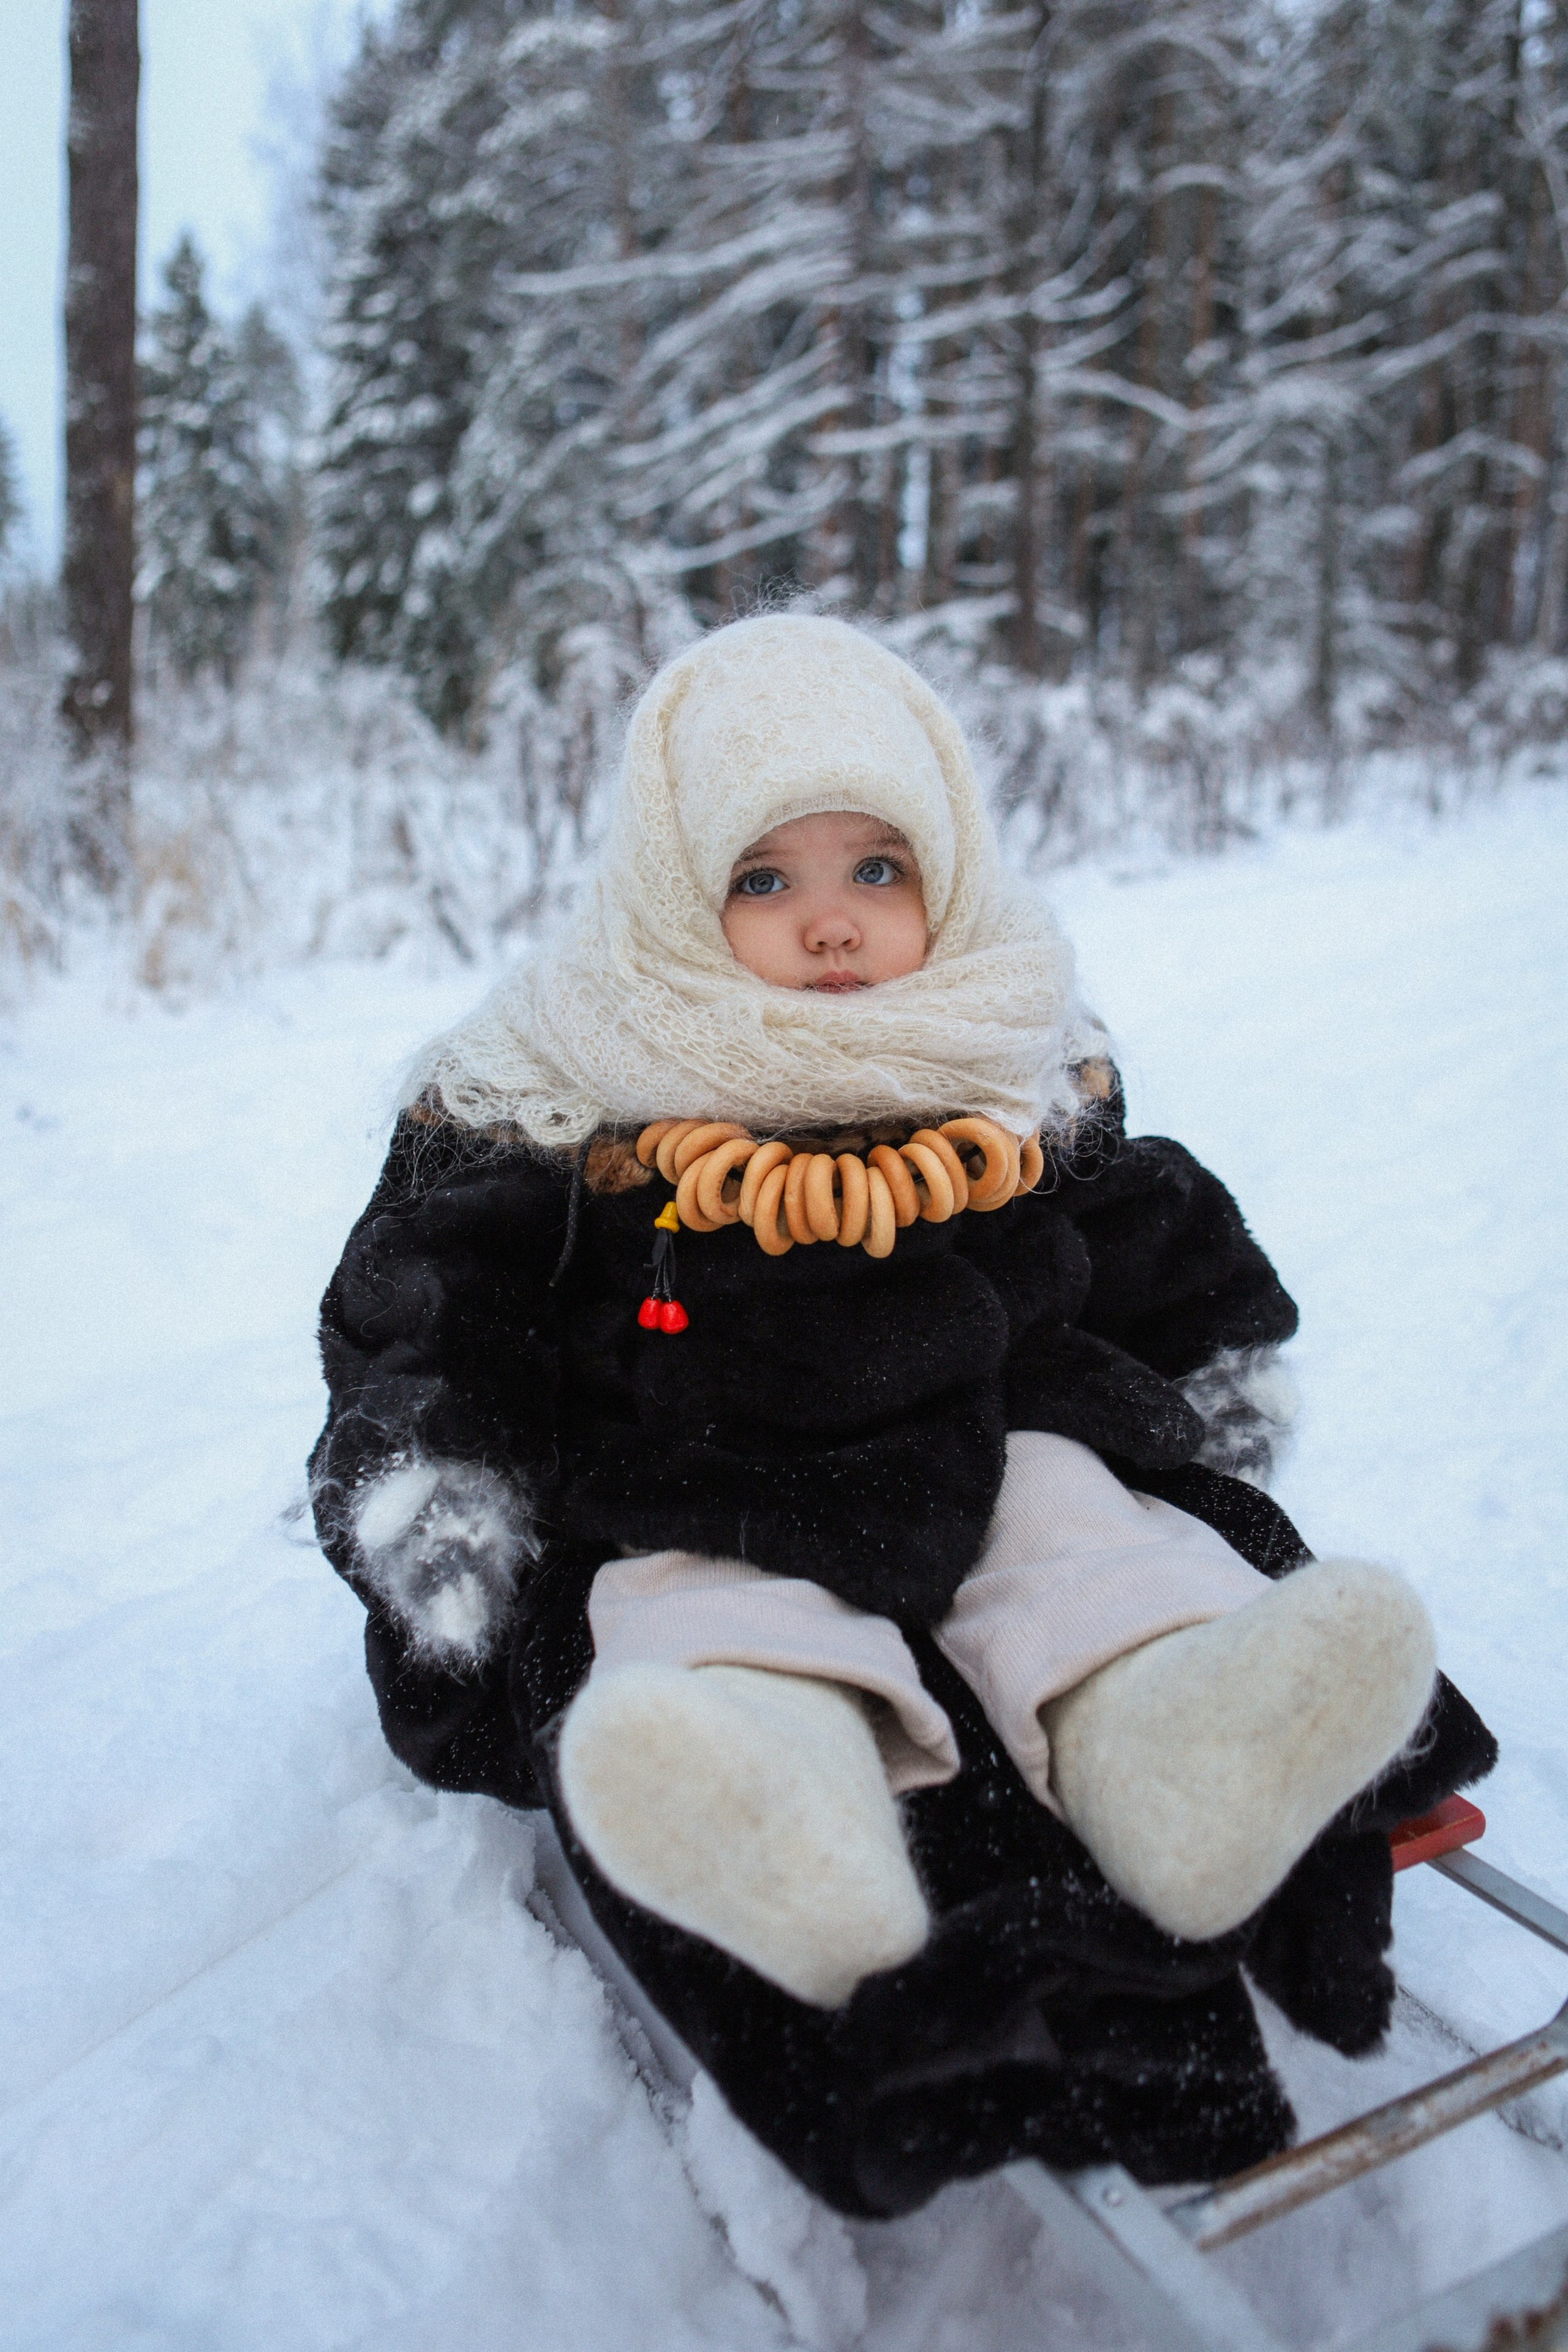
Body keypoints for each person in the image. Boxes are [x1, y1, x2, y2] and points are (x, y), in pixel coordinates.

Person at [310, 615, 1487, 2202]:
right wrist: (437, 1470)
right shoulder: (561, 1073)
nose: (833, 927)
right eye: (763, 880)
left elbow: (1129, 1219)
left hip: (997, 1447)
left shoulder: (1004, 1039)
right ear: (671, 886)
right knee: (700, 1601)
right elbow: (434, 1299)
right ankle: (771, 1806)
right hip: (700, 1473)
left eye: (878, 870)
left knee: (1090, 1534)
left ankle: (1181, 1732)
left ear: (950, 863)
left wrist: (1209, 1353)